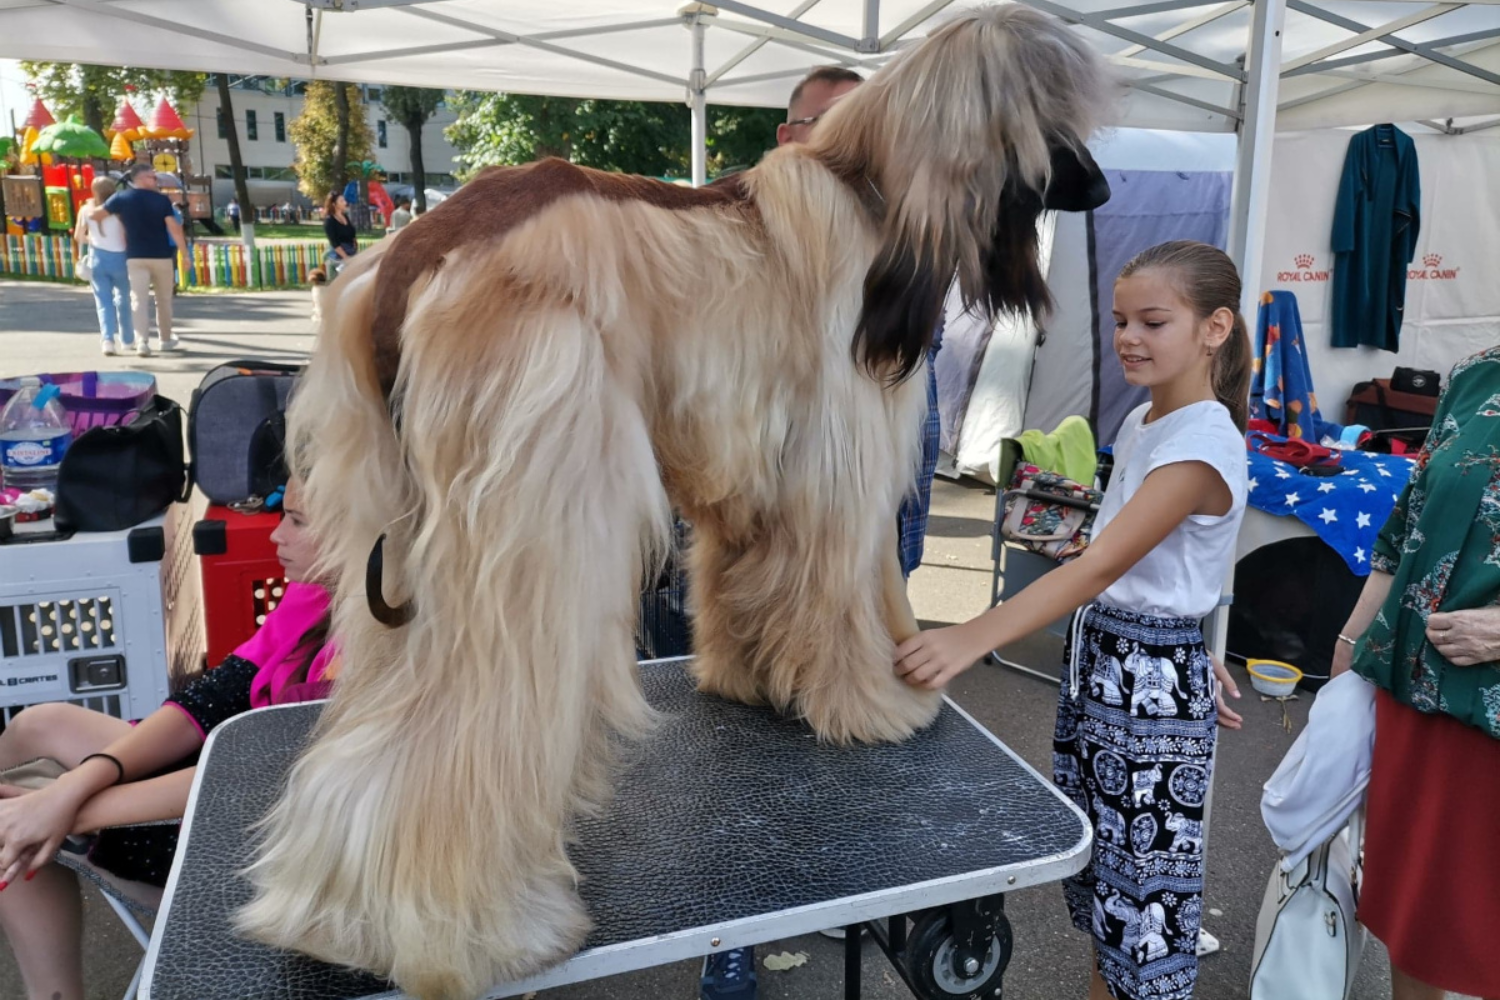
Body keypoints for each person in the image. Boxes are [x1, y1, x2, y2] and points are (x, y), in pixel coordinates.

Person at [895, 241, 1249, 1000]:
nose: (1129, 338)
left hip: (1143, 685)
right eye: (1121, 320)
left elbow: (1098, 567)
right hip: (1114, 666)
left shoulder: (1202, 442)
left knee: (1143, 903)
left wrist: (971, 636)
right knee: (1108, 890)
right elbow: (1156, 567)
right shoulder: (1151, 419)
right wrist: (1184, 644)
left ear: (1215, 328)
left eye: (1153, 321)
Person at [0, 481, 336, 1000]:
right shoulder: (320, 590)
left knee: (11, 823)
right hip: (234, 783)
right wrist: (70, 790)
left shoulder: (385, 644)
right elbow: (210, 701)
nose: (277, 535)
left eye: (298, 520)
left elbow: (268, 774)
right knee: (36, 729)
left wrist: (72, 811)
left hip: (276, 850)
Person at [1330, 344, 1500, 1000]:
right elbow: (1405, 528)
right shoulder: (1477, 374)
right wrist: (1349, 644)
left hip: (1486, 715)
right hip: (1413, 693)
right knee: (1410, 916)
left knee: (1480, 929)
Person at [89, 166, 184, 355]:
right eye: (152, 177)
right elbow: (173, 227)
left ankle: (142, 342)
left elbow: (96, 215)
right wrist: (184, 253)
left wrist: (95, 206)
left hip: (135, 257)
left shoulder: (121, 198)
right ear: (140, 178)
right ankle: (165, 340)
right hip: (161, 256)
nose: (156, 181)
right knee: (163, 299)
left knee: (138, 300)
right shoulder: (161, 200)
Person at [71, 176, 135, 357]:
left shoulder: (86, 210)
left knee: (103, 301)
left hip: (98, 258)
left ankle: (107, 340)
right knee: (123, 298)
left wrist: (92, 239)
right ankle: (127, 339)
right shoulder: (121, 209)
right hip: (121, 257)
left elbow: (78, 236)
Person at [323, 191, 358, 276]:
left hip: (351, 251)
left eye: (344, 200)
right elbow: (334, 243)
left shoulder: (345, 216)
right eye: (341, 201)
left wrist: (354, 244)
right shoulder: (330, 221)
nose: (345, 203)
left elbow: (351, 233)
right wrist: (346, 257)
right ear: (334, 204)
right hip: (338, 255)